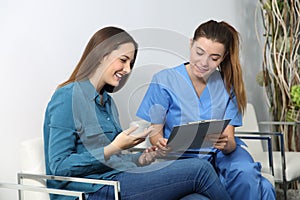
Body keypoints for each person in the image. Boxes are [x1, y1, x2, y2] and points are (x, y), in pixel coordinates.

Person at [43, 26, 231, 200]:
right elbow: (59, 167)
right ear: (102, 55)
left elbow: (113, 159)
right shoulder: (67, 97)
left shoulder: (106, 101)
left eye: (131, 63)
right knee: (200, 169)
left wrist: (142, 158)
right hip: (93, 190)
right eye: (123, 60)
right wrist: (114, 147)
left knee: (196, 199)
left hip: (118, 179)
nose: (127, 70)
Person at [136, 20, 276, 200]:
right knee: (264, 188)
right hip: (182, 159)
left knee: (246, 174)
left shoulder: (227, 85)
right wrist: (161, 145)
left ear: (223, 57)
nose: (203, 62)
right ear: (191, 44)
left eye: (214, 57)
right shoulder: (164, 81)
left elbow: (230, 142)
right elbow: (155, 135)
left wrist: (225, 144)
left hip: (222, 154)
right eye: (199, 52)